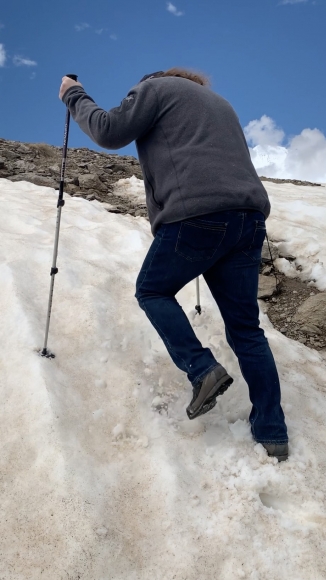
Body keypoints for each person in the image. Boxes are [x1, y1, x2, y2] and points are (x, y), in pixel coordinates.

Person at [59, 68, 288, 461]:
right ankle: (272, 433)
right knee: (247, 330)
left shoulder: (156, 88)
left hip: (196, 215)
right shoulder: (221, 105)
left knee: (151, 289)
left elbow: (109, 131)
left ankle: (202, 369)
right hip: (248, 219)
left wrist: (74, 94)